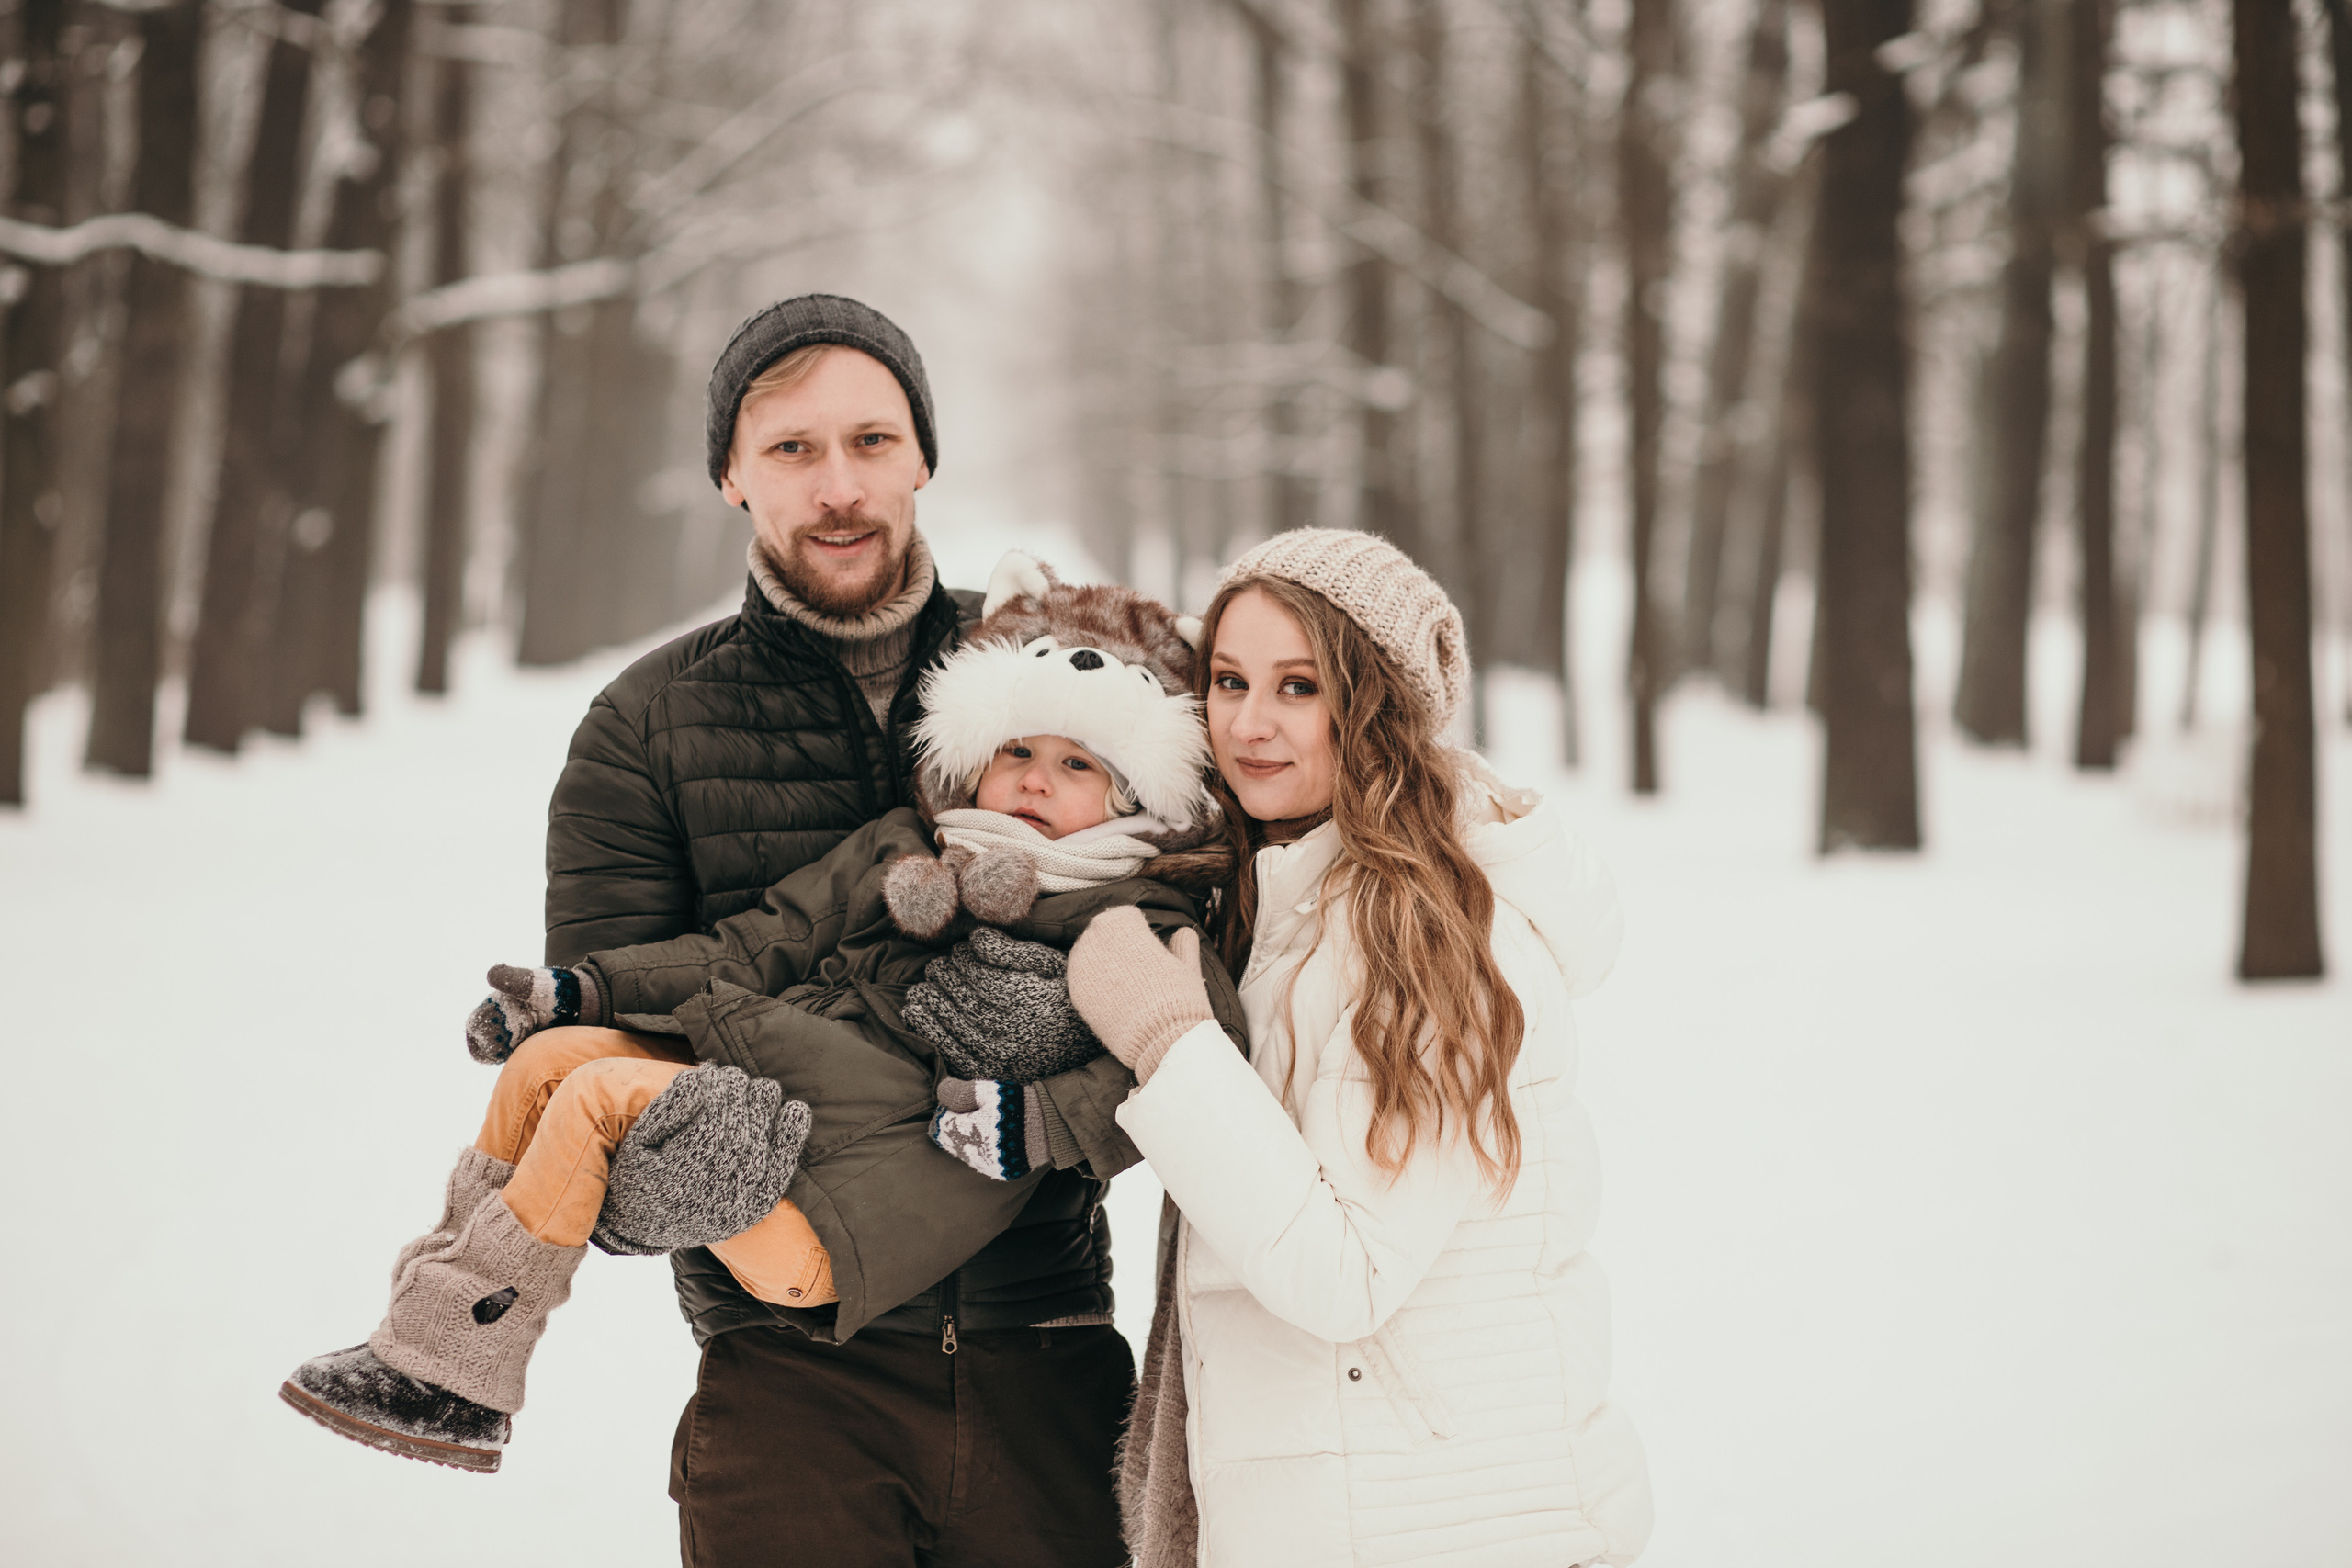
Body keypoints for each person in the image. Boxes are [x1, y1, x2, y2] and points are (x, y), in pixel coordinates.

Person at [436, 296, 1185, 1564]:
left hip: (1050, 1358)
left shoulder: (1059, 685)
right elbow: (619, 1046)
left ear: (923, 456)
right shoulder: (644, 727)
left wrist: (1055, 1057)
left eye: (871, 441)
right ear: (729, 471)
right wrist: (653, 1186)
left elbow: (1199, 973)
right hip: (788, 1376)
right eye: (790, 447)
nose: (838, 485)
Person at [279, 557, 1237, 1483]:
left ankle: (463, 1382)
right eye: (1016, 751)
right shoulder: (904, 849)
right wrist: (582, 991)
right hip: (794, 1120)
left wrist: (1042, 1120)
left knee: (603, 1095)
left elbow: (1196, 1072)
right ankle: (422, 1341)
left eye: (1076, 765)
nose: (1033, 780)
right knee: (555, 1062)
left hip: (846, 1224)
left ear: (1135, 796)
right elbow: (749, 948)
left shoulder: (1131, 917)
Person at [1062, 529, 1656, 1567]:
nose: (1248, 724)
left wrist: (1171, 1041)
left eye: (1299, 687)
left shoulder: (1435, 940)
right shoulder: (1288, 902)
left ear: (1373, 704)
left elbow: (1345, 1272)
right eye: (1230, 681)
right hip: (1353, 1508)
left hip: (1438, 1524)